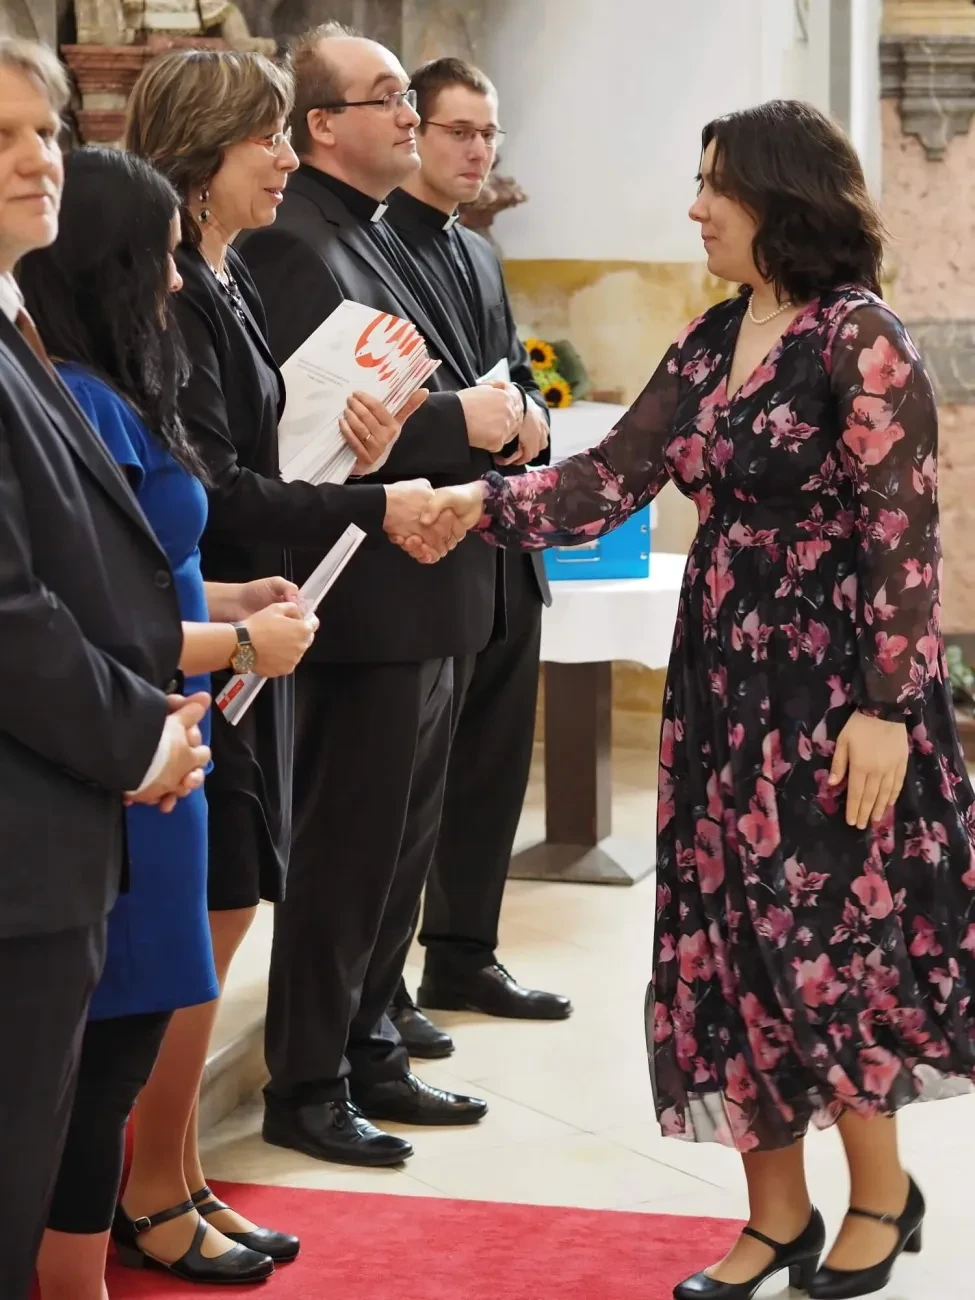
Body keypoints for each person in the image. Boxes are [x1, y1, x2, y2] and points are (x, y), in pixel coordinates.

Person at [414, 100, 975, 1300]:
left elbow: (904, 538)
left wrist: (887, 706)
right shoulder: (716, 335)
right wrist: (471, 508)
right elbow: (609, 477)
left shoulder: (861, 338)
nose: (695, 206)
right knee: (726, 945)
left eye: (716, 184)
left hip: (836, 702)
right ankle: (776, 1216)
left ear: (782, 195)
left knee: (830, 947)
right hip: (724, 693)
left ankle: (883, 1195)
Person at [122, 48, 435, 1271]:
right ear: (206, 152)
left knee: (236, 889)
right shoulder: (173, 290)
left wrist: (356, 453)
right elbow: (212, 485)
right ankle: (151, 1184)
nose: (289, 158)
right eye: (269, 136)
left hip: (255, 612)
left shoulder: (230, 272)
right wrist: (373, 503)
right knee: (210, 903)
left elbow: (259, 453)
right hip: (205, 621)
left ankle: (180, 1172)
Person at [19, 145, 322, 1295]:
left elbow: (150, 572)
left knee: (137, 1024)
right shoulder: (82, 399)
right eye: (160, 255)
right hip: (127, 740)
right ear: (109, 263)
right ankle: (88, 1260)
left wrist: (230, 601)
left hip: (166, 733)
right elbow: (93, 615)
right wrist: (240, 645)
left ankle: (156, 1197)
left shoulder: (102, 383)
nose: (180, 279)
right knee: (112, 1042)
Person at [236, 23, 528, 1166]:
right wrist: (466, 421)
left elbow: (426, 387)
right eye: (389, 97)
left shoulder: (378, 227)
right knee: (348, 850)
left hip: (435, 576)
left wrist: (487, 417)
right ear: (321, 126)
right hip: (363, 588)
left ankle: (370, 1046)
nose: (410, 114)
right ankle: (308, 1081)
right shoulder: (295, 240)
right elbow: (312, 431)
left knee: (402, 844)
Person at [0, 38, 209, 1300]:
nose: (40, 158)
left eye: (47, 130)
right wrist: (142, 729)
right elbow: (9, 611)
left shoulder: (17, 332)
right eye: (3, 136)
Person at [384, 57, 571, 1058]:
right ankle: (381, 984)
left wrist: (532, 419)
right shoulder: (376, 244)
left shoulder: (479, 252)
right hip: (428, 537)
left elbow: (508, 373)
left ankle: (464, 951)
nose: (477, 150)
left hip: (503, 537)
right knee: (412, 781)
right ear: (411, 129)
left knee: (496, 758)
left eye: (489, 134)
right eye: (458, 130)